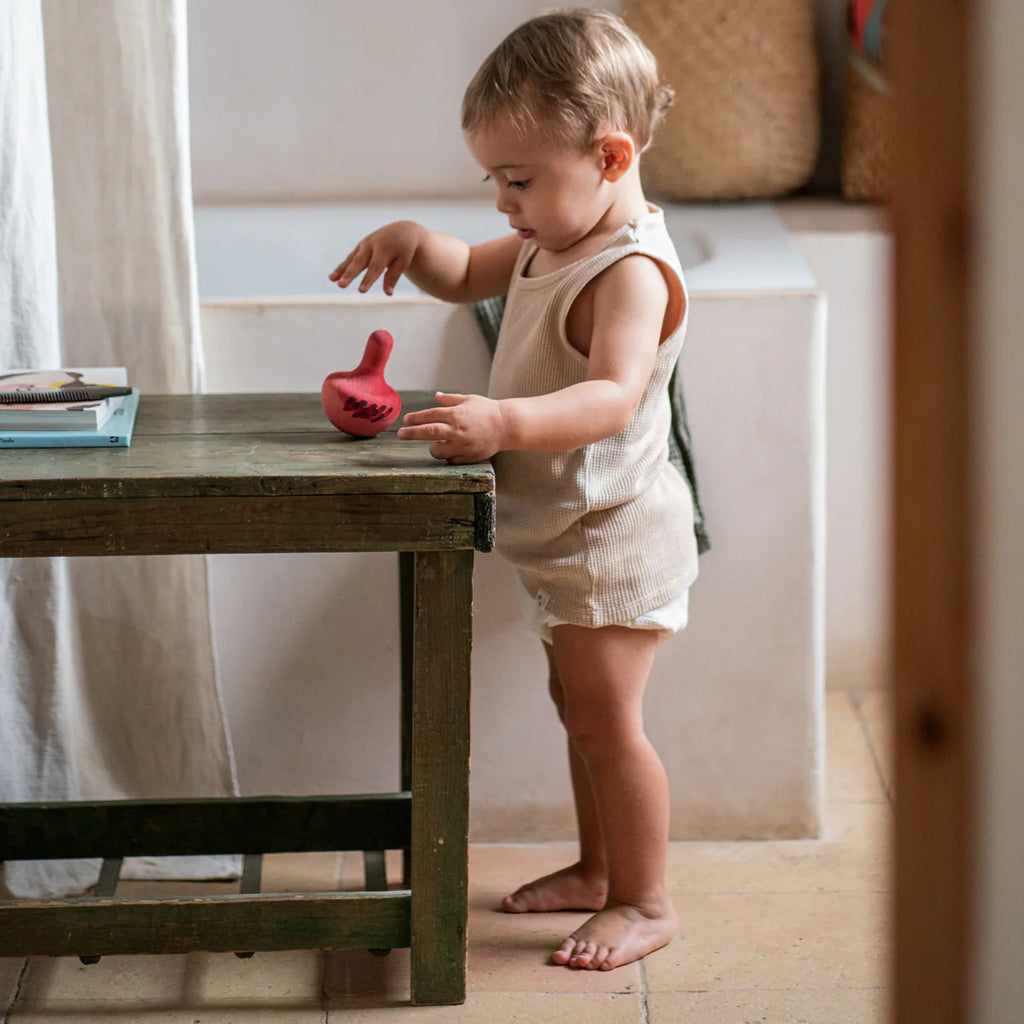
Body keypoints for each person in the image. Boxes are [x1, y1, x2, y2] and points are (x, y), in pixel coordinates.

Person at [329, 8, 699, 972]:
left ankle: (645, 899)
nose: (502, 203)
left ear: (611, 157)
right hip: (566, 537)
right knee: (577, 710)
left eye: (519, 179)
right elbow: (465, 275)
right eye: (492, 179)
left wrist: (504, 424)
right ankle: (594, 868)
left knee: (610, 725)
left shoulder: (632, 273)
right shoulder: (547, 239)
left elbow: (612, 398)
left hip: (614, 541)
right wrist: (415, 242)